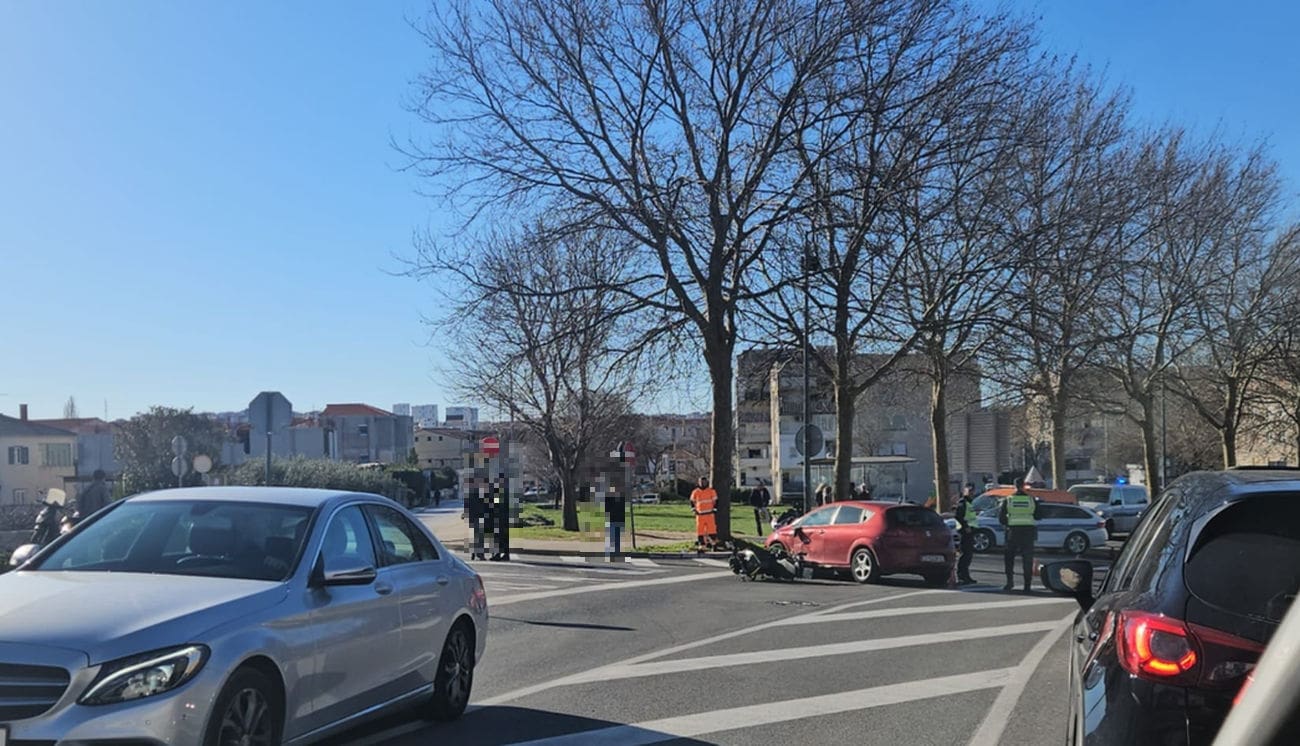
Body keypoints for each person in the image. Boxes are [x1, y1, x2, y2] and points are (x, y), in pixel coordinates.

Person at [999, 477, 1043, 592]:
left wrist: (1009, 521)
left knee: (1009, 559)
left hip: (1013, 532)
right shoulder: (1031, 500)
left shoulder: (1008, 500)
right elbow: (1039, 516)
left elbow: (1001, 519)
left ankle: (1009, 583)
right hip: (1028, 532)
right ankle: (1027, 586)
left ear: (1014, 486)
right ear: (1024, 486)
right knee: (1027, 560)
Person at [955, 482, 980, 585]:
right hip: (964, 532)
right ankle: (961, 576)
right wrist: (966, 527)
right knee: (965, 555)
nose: (971, 492)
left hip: (970, 532)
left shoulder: (970, 502)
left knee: (968, 555)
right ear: (964, 491)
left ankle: (966, 576)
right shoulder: (963, 502)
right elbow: (958, 516)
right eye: (969, 490)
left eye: (972, 490)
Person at [690, 477, 719, 552]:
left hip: (709, 514)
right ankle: (702, 546)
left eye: (704, 482)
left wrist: (715, 509)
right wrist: (693, 510)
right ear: (698, 482)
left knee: (712, 530)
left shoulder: (711, 491)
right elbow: (692, 501)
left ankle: (713, 544)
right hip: (700, 514)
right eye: (701, 482)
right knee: (700, 531)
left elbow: (716, 500)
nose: (703, 483)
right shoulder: (695, 492)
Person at [465, 478, 487, 560]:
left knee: (477, 535)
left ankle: (475, 553)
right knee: (480, 536)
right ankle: (479, 553)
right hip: (479, 516)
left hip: (475, 516)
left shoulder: (472, 493)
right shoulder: (479, 493)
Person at [605, 486, 626, 559]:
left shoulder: (609, 498)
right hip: (617, 519)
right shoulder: (621, 498)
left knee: (613, 536)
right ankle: (615, 552)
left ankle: (612, 552)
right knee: (615, 536)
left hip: (614, 518)